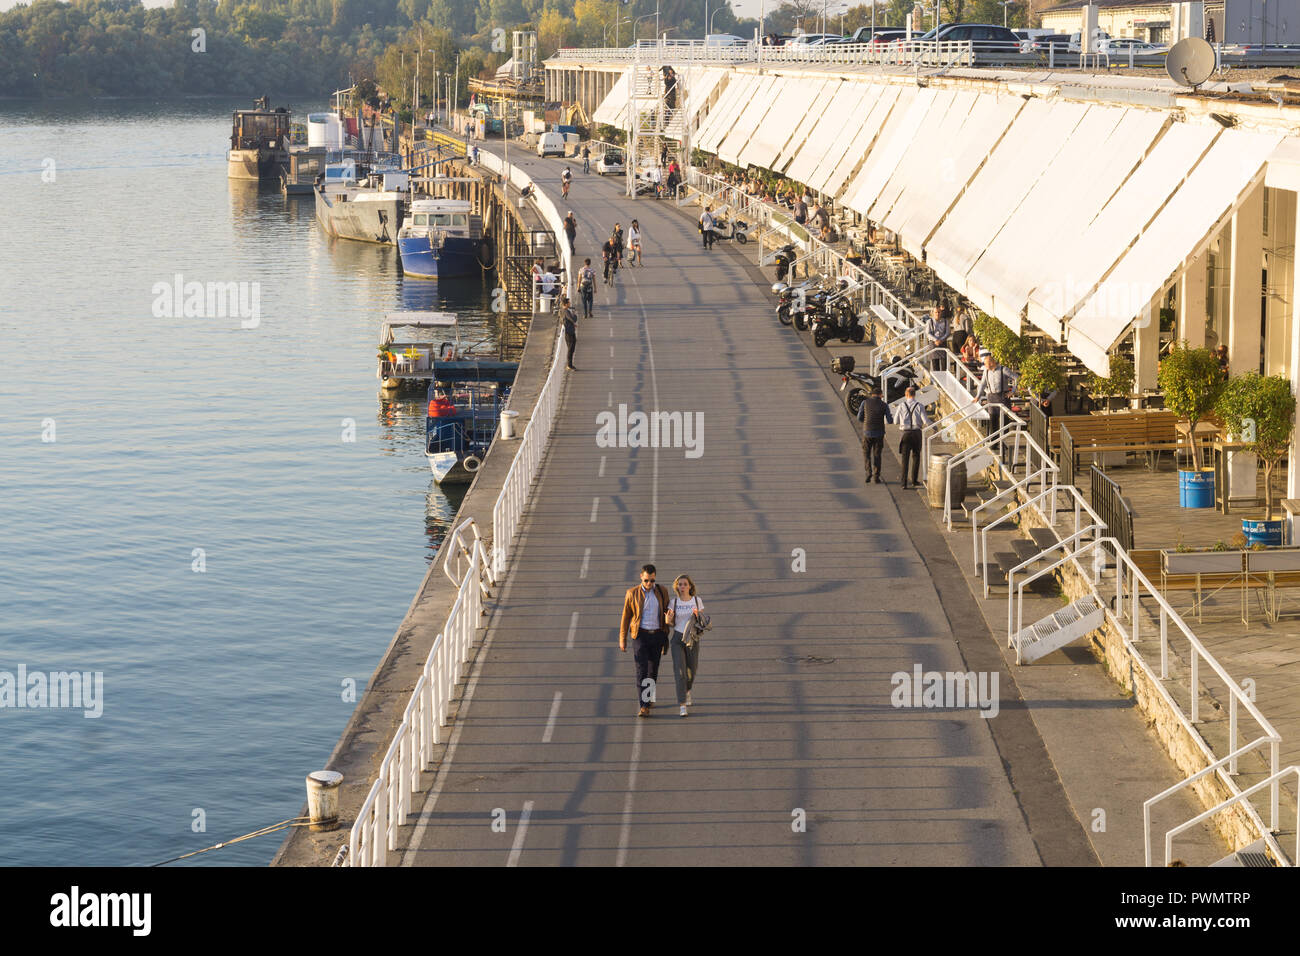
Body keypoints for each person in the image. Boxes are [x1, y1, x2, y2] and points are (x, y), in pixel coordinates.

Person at [620, 564, 672, 717]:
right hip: (640, 635)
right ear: (641, 578)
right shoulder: (632, 593)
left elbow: (667, 610)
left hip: (657, 635)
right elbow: (625, 617)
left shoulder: (662, 591)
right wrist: (622, 638)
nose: (649, 584)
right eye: (646, 581)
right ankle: (644, 705)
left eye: (652, 581)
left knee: (652, 670)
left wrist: (670, 619)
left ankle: (648, 697)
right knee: (641, 670)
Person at [667, 574, 704, 717]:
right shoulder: (673, 603)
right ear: (677, 587)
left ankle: (687, 690)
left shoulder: (697, 601)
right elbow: (670, 624)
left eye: (684, 584)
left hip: (692, 638)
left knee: (692, 670)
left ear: (690, 586)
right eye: (679, 584)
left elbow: (701, 622)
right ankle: (682, 704)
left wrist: (697, 615)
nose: (682, 587)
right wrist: (668, 620)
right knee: (680, 672)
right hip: (677, 639)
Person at [975, 350, 1014, 461]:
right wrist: (978, 396)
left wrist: (1013, 391)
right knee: (993, 421)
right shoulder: (986, 372)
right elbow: (982, 384)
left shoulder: (1003, 369)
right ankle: (994, 443)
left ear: (991, 363)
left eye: (986, 364)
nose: (985, 366)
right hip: (991, 397)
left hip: (1003, 397)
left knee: (1005, 422)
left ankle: (1002, 442)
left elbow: (1017, 379)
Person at [895, 385, 932, 489]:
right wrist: (934, 427)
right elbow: (925, 421)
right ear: (914, 394)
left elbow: (895, 421)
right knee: (916, 457)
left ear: (906, 395)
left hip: (905, 433)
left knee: (905, 459)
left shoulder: (901, 405)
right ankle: (914, 480)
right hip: (916, 433)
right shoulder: (919, 405)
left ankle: (904, 483)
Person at [857, 385, 894, 484]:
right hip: (879, 433)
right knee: (877, 454)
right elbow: (890, 420)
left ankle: (868, 472)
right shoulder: (884, 405)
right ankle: (876, 476)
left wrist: (866, 422)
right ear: (880, 395)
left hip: (867, 432)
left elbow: (859, 418)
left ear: (872, 394)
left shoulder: (864, 403)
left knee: (866, 453)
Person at [925, 305, 950, 372]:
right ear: (933, 313)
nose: (937, 314)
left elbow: (947, 333)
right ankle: (937, 381)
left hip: (943, 342)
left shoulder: (945, 321)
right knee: (935, 366)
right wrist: (935, 340)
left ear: (941, 312)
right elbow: (928, 333)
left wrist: (941, 340)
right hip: (933, 343)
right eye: (936, 312)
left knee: (944, 364)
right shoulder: (929, 322)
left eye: (939, 312)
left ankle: (944, 380)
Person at [561, 295, 578, 370]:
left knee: (571, 348)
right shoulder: (566, 311)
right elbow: (572, 319)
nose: (570, 304)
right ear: (566, 304)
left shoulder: (562, 311)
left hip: (569, 331)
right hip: (569, 332)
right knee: (571, 349)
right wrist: (574, 314)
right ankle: (569, 365)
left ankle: (570, 364)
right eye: (569, 303)